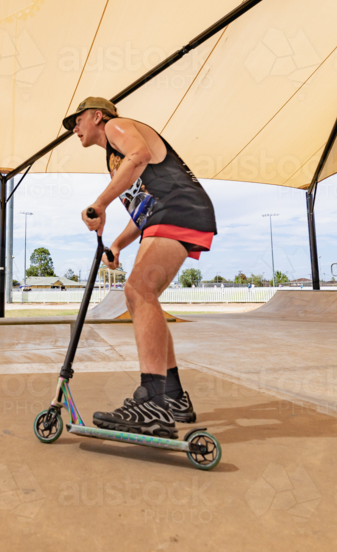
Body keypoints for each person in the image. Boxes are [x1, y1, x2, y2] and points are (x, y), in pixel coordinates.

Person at [66, 97, 217, 439]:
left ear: (96, 116)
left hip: (180, 209)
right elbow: (144, 208)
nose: (74, 128)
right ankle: (173, 395)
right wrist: (117, 244)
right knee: (144, 297)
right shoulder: (114, 159)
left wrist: (99, 203)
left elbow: (141, 156)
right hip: (167, 213)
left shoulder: (118, 127)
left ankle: (152, 402)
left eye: (77, 121)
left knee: (138, 290)